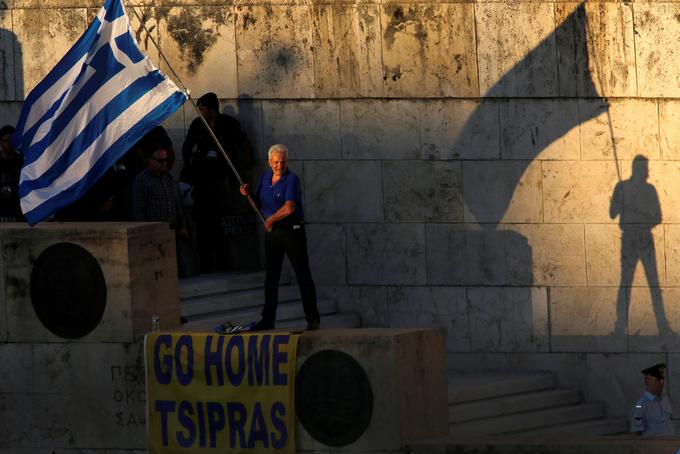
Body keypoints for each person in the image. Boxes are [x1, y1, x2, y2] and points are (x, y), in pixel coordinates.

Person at [240, 144, 320, 331]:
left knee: (302, 274)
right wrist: (247, 194)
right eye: (276, 162)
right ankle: (268, 318)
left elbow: (289, 207)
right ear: (270, 162)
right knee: (271, 277)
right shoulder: (266, 178)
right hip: (273, 233)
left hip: (291, 231)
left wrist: (271, 219)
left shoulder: (291, 179)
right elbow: (258, 201)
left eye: (283, 162)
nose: (279, 165)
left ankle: (312, 318)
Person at [181, 92, 253, 273]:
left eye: (203, 108)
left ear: (212, 108)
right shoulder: (198, 125)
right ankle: (205, 265)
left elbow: (244, 146)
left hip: (222, 181)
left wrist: (245, 170)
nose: (201, 112)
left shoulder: (228, 124)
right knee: (203, 224)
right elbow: (187, 148)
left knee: (223, 223)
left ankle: (226, 263)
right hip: (201, 182)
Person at [133, 126, 189, 275]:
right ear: (149, 160)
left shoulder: (168, 177)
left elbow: (176, 203)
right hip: (155, 231)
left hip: (172, 230)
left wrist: (182, 226)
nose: (164, 163)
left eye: (166, 160)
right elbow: (139, 209)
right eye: (160, 161)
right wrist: (146, 233)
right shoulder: (142, 180)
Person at [630, 363, 674, 436]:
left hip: (670, 444)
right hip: (653, 446)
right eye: (658, 379)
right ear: (647, 381)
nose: (662, 382)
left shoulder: (664, 398)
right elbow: (635, 433)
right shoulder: (641, 406)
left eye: (663, 379)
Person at [0, 125, 24, 222]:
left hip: (18, 211)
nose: (10, 143)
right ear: (0, 142)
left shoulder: (22, 161)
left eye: (12, 140)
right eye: (7, 140)